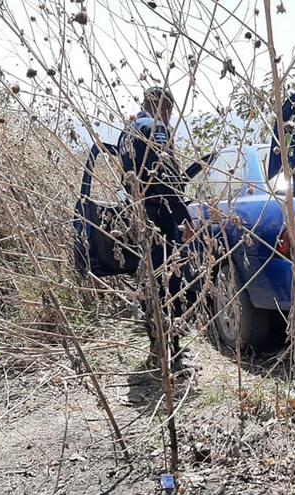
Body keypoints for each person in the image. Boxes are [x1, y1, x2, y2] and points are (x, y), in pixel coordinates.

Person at [117, 86, 193, 367]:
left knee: (150, 283)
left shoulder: (128, 131)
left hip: (139, 217)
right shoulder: (155, 128)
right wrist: (183, 217)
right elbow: (165, 176)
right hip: (161, 217)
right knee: (168, 283)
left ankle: (157, 348)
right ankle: (170, 353)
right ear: (165, 108)